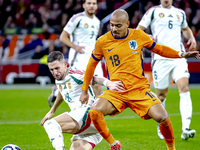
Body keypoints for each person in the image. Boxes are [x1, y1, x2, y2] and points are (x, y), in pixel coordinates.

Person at [79, 9, 200, 150]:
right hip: (117, 90)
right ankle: (114, 145)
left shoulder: (138, 36)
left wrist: (181, 54)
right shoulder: (102, 41)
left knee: (163, 117)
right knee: (94, 112)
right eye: (112, 25)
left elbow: (159, 49)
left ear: (127, 24)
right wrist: (84, 90)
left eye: (118, 26)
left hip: (139, 89)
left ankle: (171, 148)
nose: (113, 28)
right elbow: (91, 65)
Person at [137, 0, 197, 140]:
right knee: (162, 95)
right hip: (160, 59)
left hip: (178, 56)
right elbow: (139, 29)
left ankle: (186, 128)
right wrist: (146, 37)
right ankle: (161, 125)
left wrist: (192, 38)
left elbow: (186, 29)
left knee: (184, 88)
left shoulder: (179, 13)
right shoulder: (153, 11)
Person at [40, 51, 124, 150]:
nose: (55, 72)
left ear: (65, 64)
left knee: (50, 124)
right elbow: (62, 91)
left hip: (87, 113)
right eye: (51, 70)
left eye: (57, 68)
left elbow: (94, 78)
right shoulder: (59, 78)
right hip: (90, 128)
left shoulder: (75, 75)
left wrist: (107, 83)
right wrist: (52, 111)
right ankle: (115, 145)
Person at [59, 0, 103, 97]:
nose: (92, 6)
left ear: (97, 6)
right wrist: (75, 47)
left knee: (97, 85)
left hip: (93, 56)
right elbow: (63, 37)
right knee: (75, 86)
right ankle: (56, 91)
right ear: (84, 5)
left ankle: (95, 111)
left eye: (94, 3)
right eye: (89, 3)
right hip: (79, 56)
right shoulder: (77, 18)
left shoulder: (97, 21)